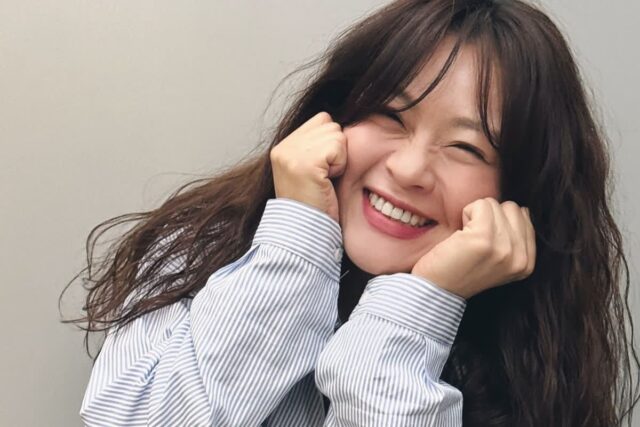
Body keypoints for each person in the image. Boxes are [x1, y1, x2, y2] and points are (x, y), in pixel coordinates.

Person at [63, 0, 640, 425]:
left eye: (466, 148)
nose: (409, 169)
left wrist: (416, 314)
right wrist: (297, 242)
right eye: (390, 115)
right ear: (334, 114)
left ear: (521, 192)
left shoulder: (534, 359)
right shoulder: (199, 248)